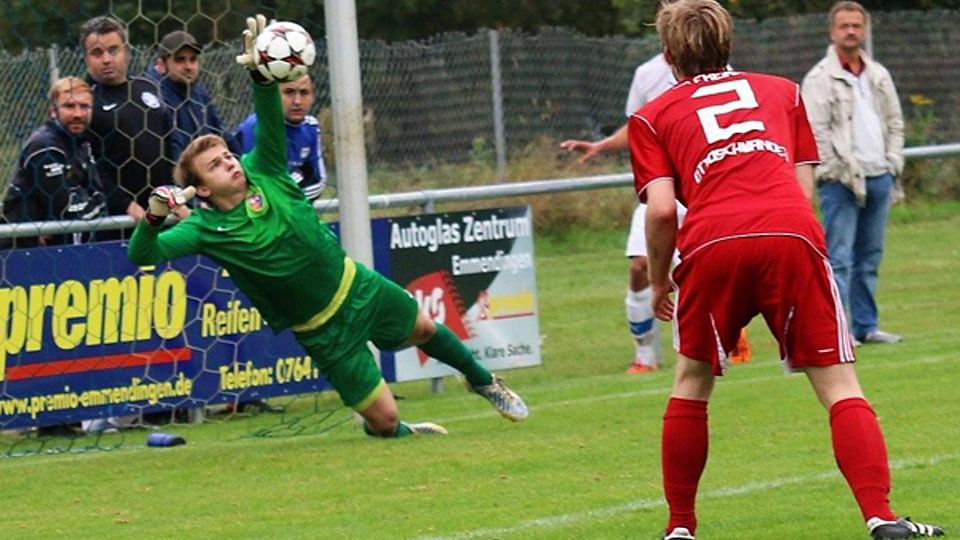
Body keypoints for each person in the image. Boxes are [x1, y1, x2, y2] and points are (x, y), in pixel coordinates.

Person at [127, 15, 528, 438]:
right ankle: (405, 433)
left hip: (356, 286)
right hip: (320, 329)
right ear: (201, 190)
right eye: (215, 165)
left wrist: (260, 74)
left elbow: (268, 115)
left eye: (227, 155)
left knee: (424, 328)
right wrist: (153, 217)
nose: (229, 162)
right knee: (385, 422)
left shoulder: (263, 166)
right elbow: (142, 254)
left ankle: (483, 380)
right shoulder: (205, 228)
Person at [628, 1, 943, 539]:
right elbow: (801, 188)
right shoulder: (782, 91)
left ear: (667, 55)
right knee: (840, 384)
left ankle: (680, 528)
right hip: (789, 232)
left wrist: (660, 281)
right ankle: (883, 519)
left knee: (691, 382)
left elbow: (660, 211)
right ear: (729, 45)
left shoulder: (650, 116)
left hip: (712, 243)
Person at [560, 0, 750, 374]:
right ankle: (646, 355)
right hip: (662, 187)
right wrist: (601, 145)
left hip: (704, 187)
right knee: (639, 268)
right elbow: (638, 126)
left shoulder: (724, 73)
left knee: (711, 266)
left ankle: (725, 333)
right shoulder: (647, 74)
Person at [801, 1, 905, 346]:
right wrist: (833, 170)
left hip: (879, 174)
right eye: (844, 26)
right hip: (841, 182)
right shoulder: (818, 79)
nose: (851, 32)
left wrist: (892, 163)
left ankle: (867, 325)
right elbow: (814, 132)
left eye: (856, 26)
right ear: (832, 31)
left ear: (865, 30)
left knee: (870, 257)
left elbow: (894, 122)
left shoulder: (878, 75)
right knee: (839, 259)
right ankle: (839, 328)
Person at [81, 16, 177, 230]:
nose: (106, 59)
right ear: (87, 59)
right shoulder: (86, 103)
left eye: (113, 50)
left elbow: (170, 146)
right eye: (97, 53)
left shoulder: (148, 88)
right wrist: (127, 206)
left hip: (166, 211)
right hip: (121, 221)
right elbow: (91, 166)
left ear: (126, 51)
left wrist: (176, 195)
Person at [2, 77, 105, 249]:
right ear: (53, 111)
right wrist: (97, 203)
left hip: (58, 247)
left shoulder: (81, 141)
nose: (78, 114)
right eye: (69, 106)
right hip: (22, 253)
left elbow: (97, 191)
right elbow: (65, 210)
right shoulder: (45, 146)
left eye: (84, 106)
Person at [146, 30, 240, 159]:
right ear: (162, 65)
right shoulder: (153, 97)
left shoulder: (198, 92)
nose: (188, 66)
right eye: (180, 60)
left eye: (193, 59)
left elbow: (221, 132)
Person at [234, 74, 327, 201]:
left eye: (304, 93)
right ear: (274, 95)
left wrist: (285, 199)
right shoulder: (255, 128)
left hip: (292, 209)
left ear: (313, 97)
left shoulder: (311, 127)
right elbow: (255, 183)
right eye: (289, 92)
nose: (297, 101)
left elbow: (317, 181)